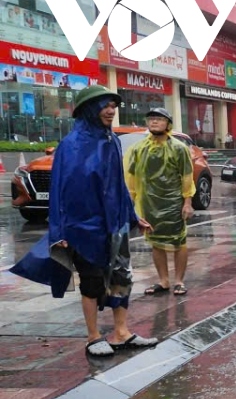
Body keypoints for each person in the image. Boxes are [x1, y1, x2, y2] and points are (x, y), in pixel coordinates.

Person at [10, 85, 157, 357]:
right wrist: (59, 230)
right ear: (89, 109)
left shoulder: (111, 141)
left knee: (121, 276)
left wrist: (132, 214)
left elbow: (118, 184)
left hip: (114, 225)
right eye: (105, 105)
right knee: (91, 280)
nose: (111, 111)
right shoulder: (71, 145)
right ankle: (93, 337)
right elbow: (59, 191)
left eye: (113, 106)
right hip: (83, 226)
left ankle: (121, 332)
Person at [125, 107, 194, 296]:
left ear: (168, 124)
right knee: (156, 241)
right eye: (151, 119)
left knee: (179, 241)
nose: (154, 122)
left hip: (173, 203)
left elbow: (187, 177)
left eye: (159, 119)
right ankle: (163, 280)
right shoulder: (138, 149)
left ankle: (179, 280)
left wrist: (187, 202)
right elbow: (131, 177)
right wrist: (129, 203)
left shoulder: (179, 148)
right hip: (149, 203)